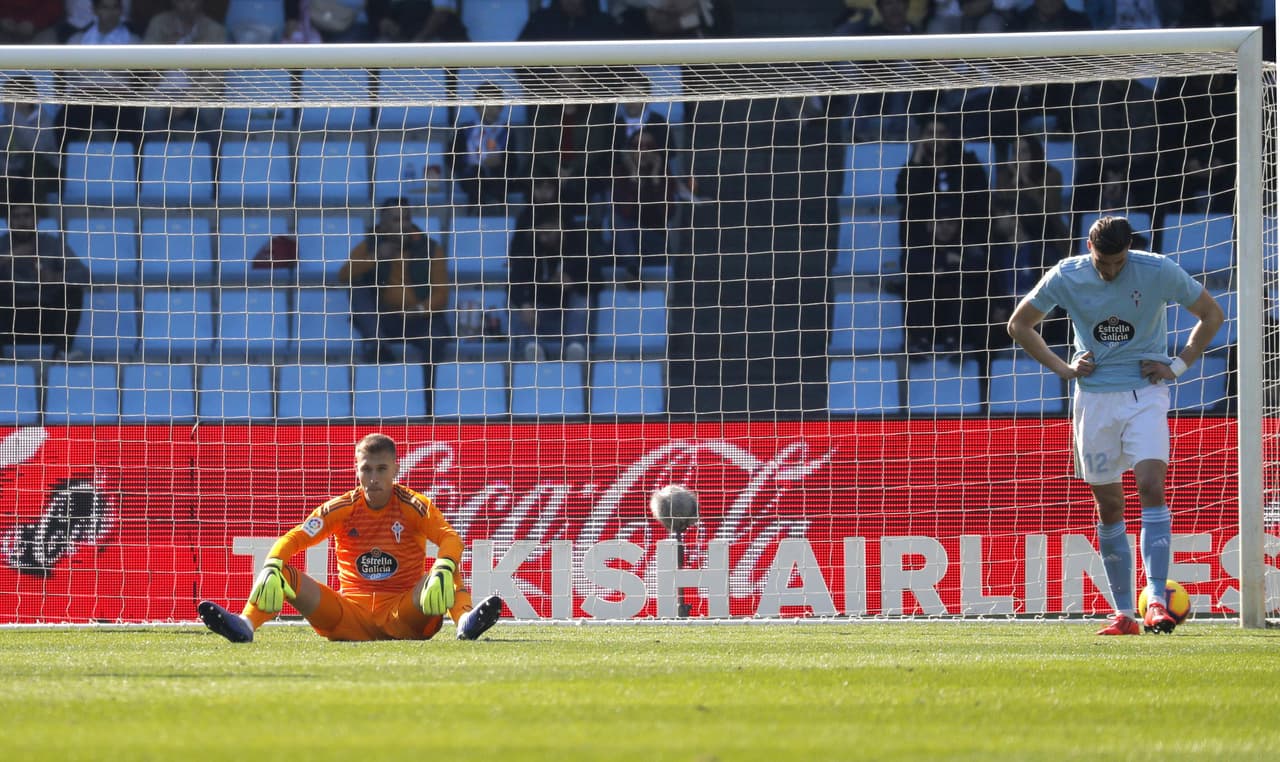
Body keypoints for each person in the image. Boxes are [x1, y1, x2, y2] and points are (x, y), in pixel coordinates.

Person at [1005, 215, 1225, 635]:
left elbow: (1211, 314)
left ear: (1129, 251)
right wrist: (1063, 368)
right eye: (1103, 263)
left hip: (1146, 393)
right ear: (1090, 249)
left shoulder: (1157, 269)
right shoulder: (1066, 275)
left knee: (1151, 486)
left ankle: (1156, 600)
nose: (1110, 271)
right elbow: (1019, 324)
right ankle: (1125, 613)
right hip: (1094, 399)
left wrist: (1178, 364)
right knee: (1109, 506)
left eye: (1119, 262)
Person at [198, 433, 504, 643]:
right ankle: (246, 624)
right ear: (356, 471)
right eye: (366, 469)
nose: (374, 478)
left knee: (446, 568)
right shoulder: (342, 507)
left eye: (381, 469)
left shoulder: (414, 505)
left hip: (405, 616)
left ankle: (464, 622)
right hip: (347, 617)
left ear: (396, 469)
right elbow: (296, 537)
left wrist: (442, 566)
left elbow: (450, 538)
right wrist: (271, 564)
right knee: (281, 574)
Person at [338, 197, 452, 367]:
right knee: (357, 287)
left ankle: (428, 383)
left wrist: (419, 309)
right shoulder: (371, 245)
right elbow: (344, 275)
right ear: (383, 225)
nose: (403, 225)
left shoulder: (431, 248)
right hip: (386, 319)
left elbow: (441, 294)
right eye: (396, 220)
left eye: (406, 219)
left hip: (421, 318)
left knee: (435, 340)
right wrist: (376, 256)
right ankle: (379, 347)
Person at [0, 194, 89, 359]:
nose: (22, 221)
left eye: (27, 216)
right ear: (8, 221)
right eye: (16, 217)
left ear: (37, 219)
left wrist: (53, 277)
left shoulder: (52, 244)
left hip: (45, 317)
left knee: (73, 292)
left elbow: (84, 275)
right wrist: (9, 256)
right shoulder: (2, 244)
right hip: (9, 319)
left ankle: (62, 352)